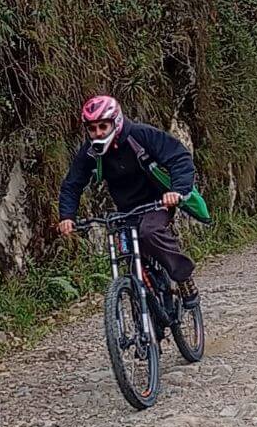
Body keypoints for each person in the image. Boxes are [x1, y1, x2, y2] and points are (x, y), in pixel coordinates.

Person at [58, 95, 201, 307]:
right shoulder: (90, 151)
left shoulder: (141, 135)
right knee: (127, 252)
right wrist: (67, 216)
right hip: (126, 211)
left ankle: (182, 276)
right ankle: (146, 312)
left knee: (149, 232)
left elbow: (178, 157)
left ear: (116, 122)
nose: (97, 133)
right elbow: (73, 183)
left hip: (157, 203)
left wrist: (177, 191)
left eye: (103, 126)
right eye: (92, 128)